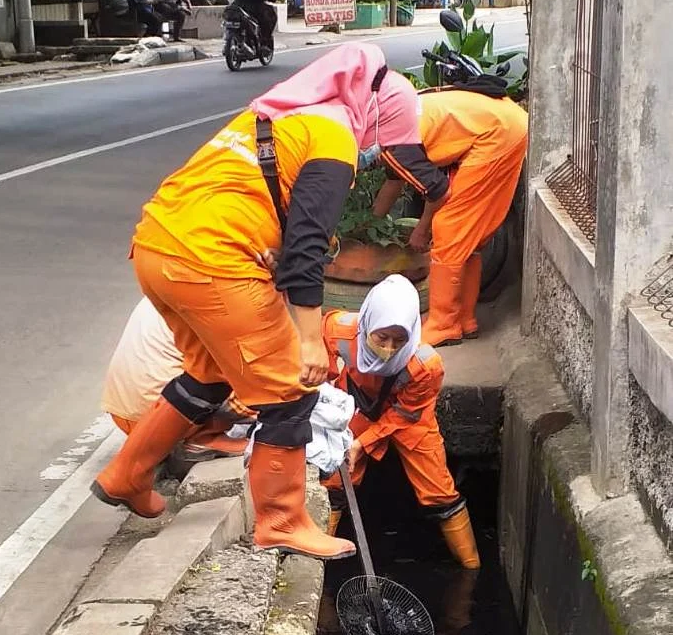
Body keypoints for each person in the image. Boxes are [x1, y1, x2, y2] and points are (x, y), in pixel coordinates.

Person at [90, 42, 449, 561]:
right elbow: (305, 248)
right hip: (212, 259)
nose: (377, 153)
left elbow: (260, 204)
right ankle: (281, 521)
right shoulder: (334, 139)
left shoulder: (282, 118)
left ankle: (127, 473)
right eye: (384, 140)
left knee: (209, 375)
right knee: (291, 390)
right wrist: (308, 342)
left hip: (156, 247)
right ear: (375, 118)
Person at [320, 274, 481, 569]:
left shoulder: (426, 366)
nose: (390, 348)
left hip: (408, 418)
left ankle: (471, 569)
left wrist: (362, 444)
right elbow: (321, 369)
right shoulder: (337, 330)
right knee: (334, 480)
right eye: (382, 338)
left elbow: (407, 413)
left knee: (438, 491)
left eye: (400, 340)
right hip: (356, 409)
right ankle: (317, 559)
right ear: (367, 324)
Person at [373, 89, 528, 346]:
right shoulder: (391, 124)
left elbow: (438, 192)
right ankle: (465, 320)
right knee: (471, 238)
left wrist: (422, 230)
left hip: (496, 135)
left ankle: (443, 324)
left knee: (449, 230)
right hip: (505, 122)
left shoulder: (394, 147)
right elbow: (393, 184)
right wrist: (369, 226)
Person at [101, 296, 253, 459]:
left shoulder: (181, 279)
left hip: (129, 415)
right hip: (167, 420)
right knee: (272, 385)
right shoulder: (234, 297)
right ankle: (202, 437)